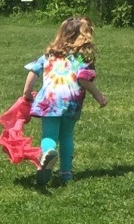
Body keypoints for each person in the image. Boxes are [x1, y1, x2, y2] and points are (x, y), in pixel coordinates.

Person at [22, 15, 108, 186]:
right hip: (71, 103)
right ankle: (66, 172)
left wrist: (26, 93)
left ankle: (48, 153)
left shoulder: (49, 55)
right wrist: (99, 96)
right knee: (67, 135)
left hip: (49, 101)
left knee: (49, 135)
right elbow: (84, 80)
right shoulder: (82, 58)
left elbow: (33, 71)